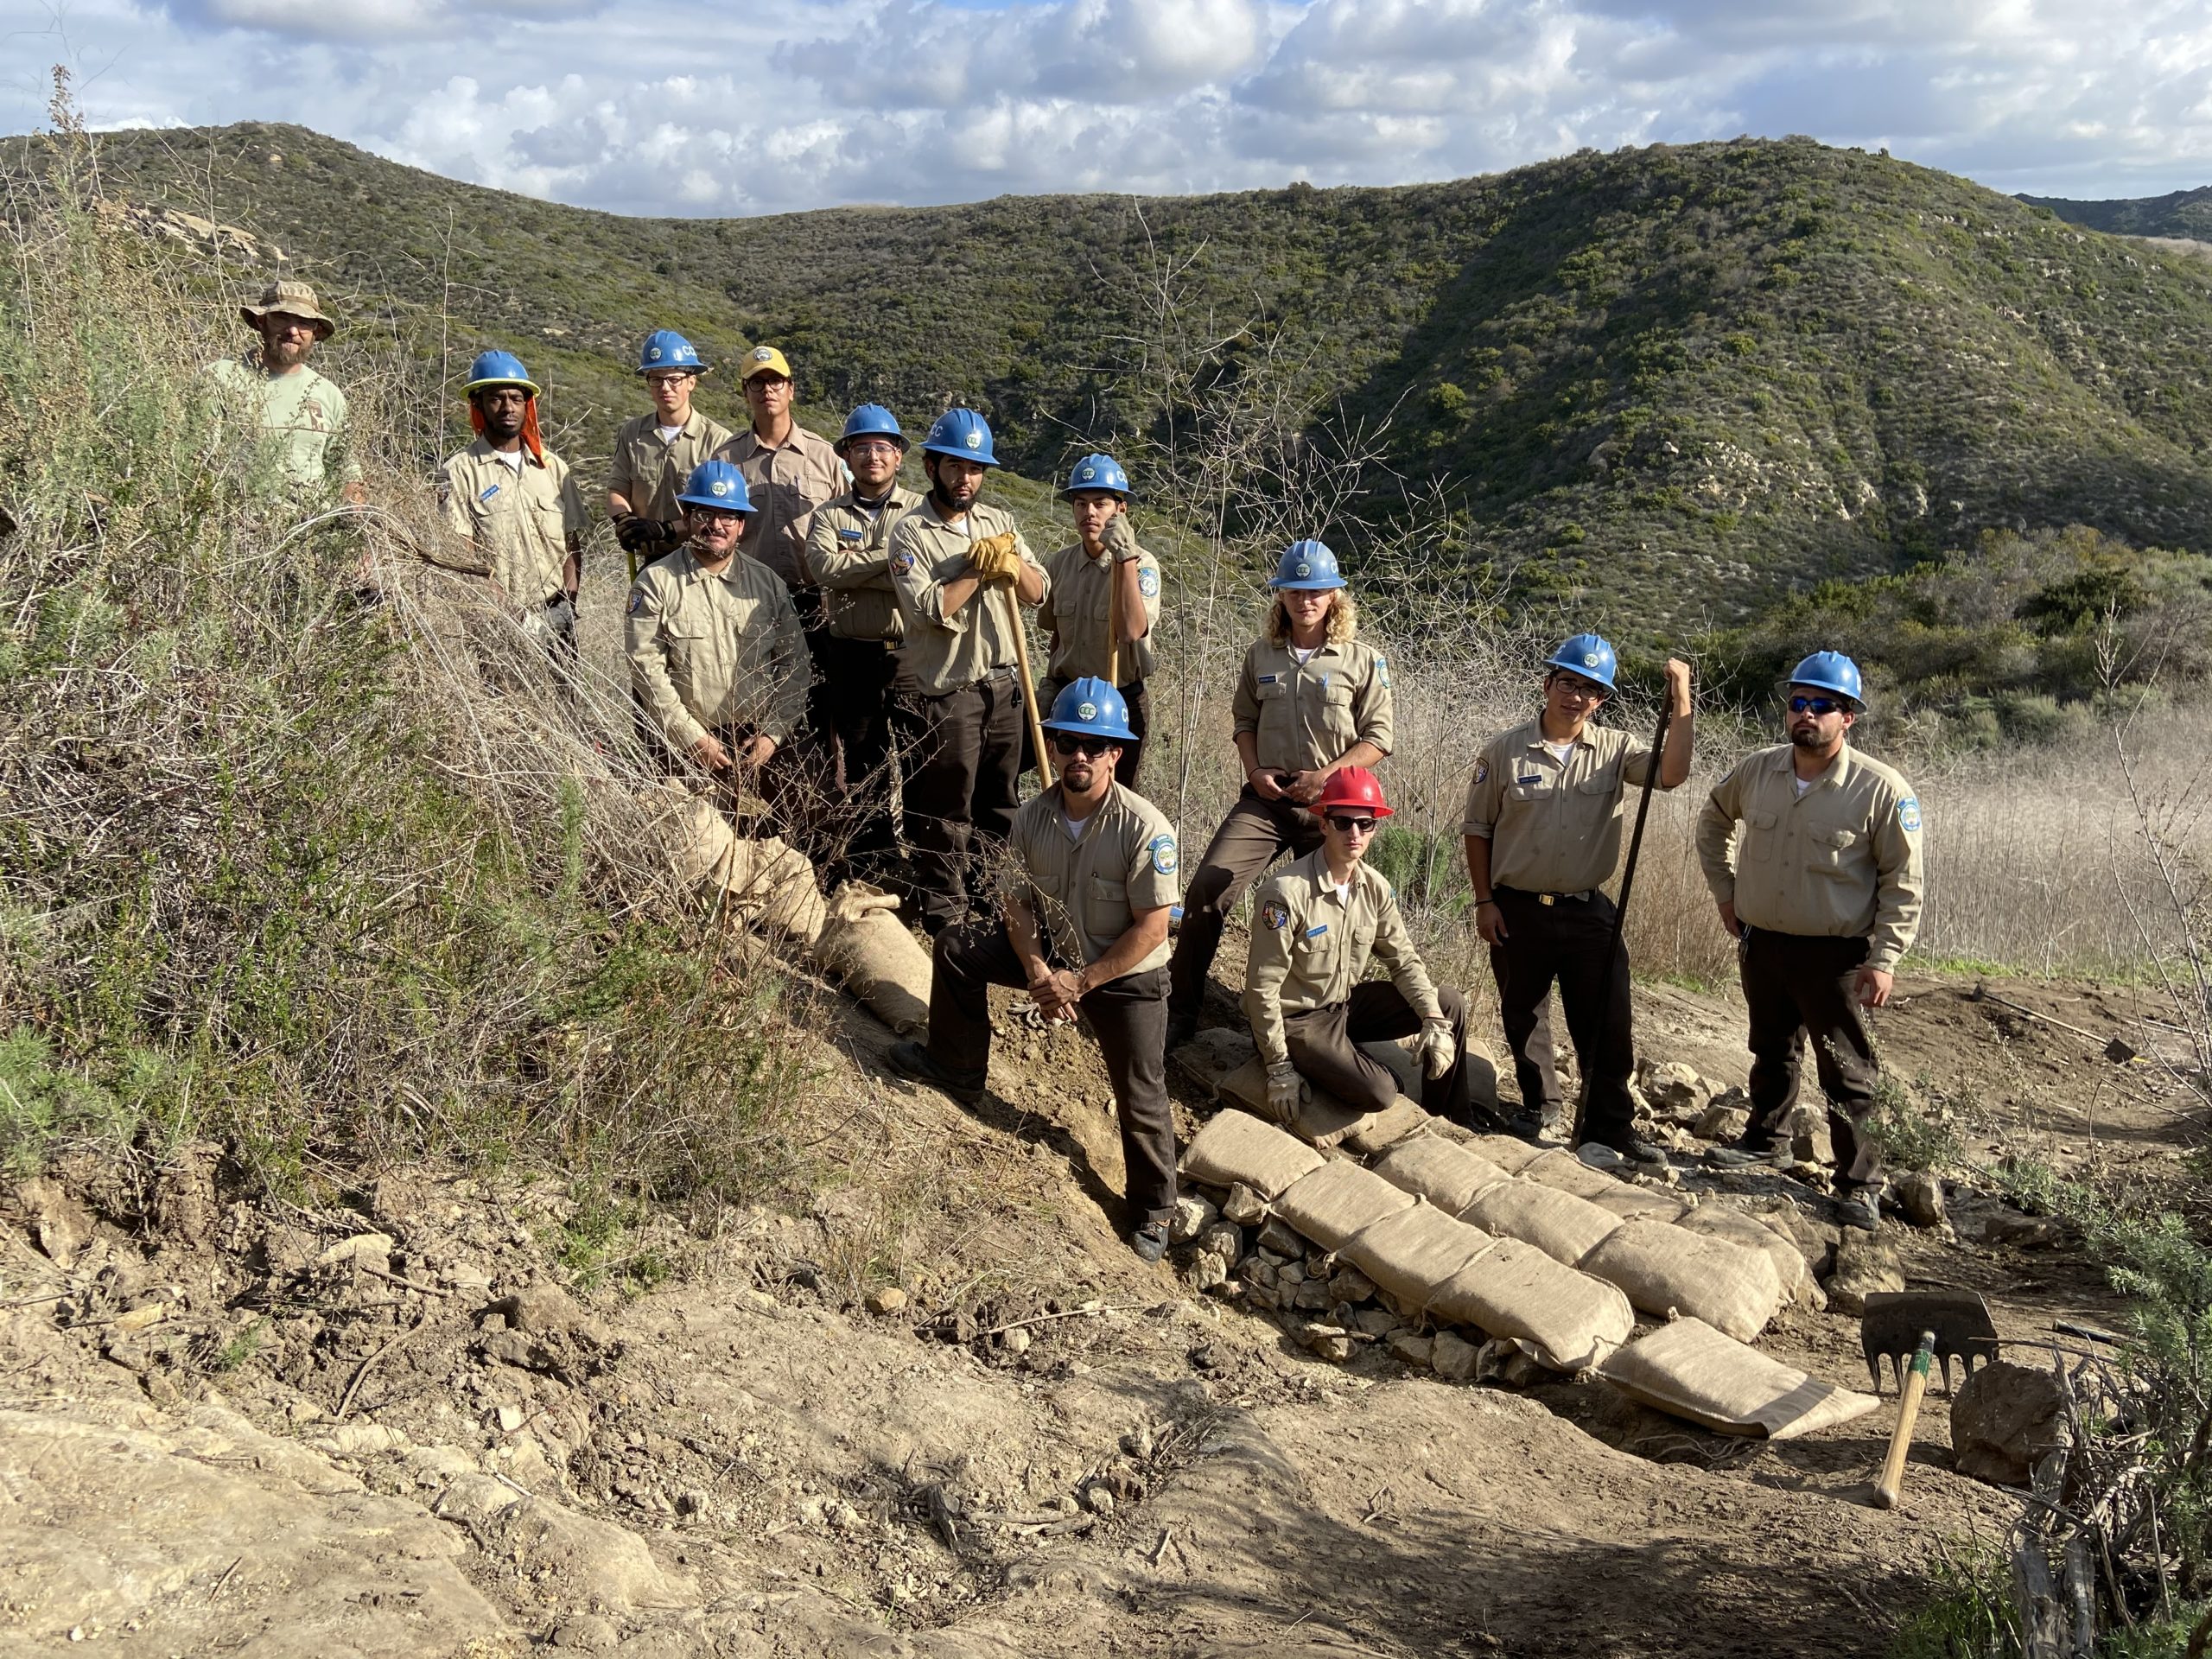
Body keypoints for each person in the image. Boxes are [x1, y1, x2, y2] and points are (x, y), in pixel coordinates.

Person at [887, 679, 1181, 1262]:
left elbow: (1153, 928)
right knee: (956, 947)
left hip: (1127, 975)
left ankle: (1154, 1209)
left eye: (1093, 746)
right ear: (1052, 745)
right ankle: (955, 1068)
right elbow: (1016, 902)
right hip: (1056, 955)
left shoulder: (1146, 829)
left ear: (1115, 754)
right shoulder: (1031, 818)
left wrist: (1082, 981)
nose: (1079, 756)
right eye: (1068, 742)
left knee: (1141, 1091)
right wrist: (1039, 970)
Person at [1694, 652, 1925, 1230]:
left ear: (1848, 717)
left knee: (1847, 1072)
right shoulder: (1758, 771)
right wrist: (1727, 892)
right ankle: (1765, 1141)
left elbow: (1904, 881)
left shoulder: (1880, 789)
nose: (1807, 714)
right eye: (1798, 702)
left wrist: (1885, 958)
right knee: (1772, 1050)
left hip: (1835, 956)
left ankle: (1859, 1185)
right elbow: (1713, 819)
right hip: (1763, 943)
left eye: (1822, 705)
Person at [1462, 634, 1694, 1165]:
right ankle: (1539, 1106)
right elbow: (1477, 829)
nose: (1576, 696)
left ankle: (1607, 1126)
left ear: (1600, 701)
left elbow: (1673, 774)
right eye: (1568, 682)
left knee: (1606, 1021)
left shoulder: (1616, 749)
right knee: (1524, 1014)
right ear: (1547, 684)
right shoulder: (1504, 751)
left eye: (1590, 690)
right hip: (1517, 906)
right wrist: (1484, 902)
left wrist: (1681, 696)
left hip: (1589, 910)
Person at [1164, 541, 1393, 1048]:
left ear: (1333, 596)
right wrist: (1254, 769)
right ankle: (1180, 1011)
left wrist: (1325, 777)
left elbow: (1378, 738)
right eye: (1294, 591)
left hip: (1332, 812)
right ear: (1281, 596)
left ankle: (1327, 1026)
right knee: (1207, 889)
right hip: (1266, 802)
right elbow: (1244, 721)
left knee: (1334, 915)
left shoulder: (1362, 660)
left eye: (1315, 592)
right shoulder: (1261, 654)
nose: (1304, 600)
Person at [1244, 767, 1489, 1129]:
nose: (1355, 834)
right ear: (1324, 825)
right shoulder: (1285, 894)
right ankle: (1350, 1066)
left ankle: (1449, 1118)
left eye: (1365, 823)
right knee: (1381, 1091)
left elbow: (1403, 960)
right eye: (1343, 823)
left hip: (1344, 1007)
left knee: (1448, 1004)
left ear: (1375, 828)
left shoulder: (1375, 888)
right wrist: (1278, 1065)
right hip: (1298, 1021)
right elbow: (1262, 988)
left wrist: (1434, 1020)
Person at [885, 409, 1050, 936]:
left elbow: (1038, 592)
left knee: (1001, 802)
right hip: (950, 691)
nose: (965, 479)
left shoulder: (1000, 523)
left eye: (975, 469)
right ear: (931, 467)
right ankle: (945, 913)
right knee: (947, 805)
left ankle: (990, 896)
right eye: (955, 466)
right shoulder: (910, 532)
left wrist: (1012, 564)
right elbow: (928, 610)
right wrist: (978, 568)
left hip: (1006, 685)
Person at [713, 346, 854, 853]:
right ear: (745, 392)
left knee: (819, 716)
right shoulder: (726, 460)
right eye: (757, 382)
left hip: (814, 605)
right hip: (746, 608)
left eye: (776, 381)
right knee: (750, 711)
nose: (767, 390)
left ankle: (825, 827)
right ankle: (757, 825)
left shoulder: (825, 457)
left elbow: (848, 526)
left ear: (791, 389)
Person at [625, 460, 807, 811]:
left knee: (803, 819)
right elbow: (645, 668)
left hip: (757, 740)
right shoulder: (655, 583)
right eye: (705, 514)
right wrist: (691, 738)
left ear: (742, 525)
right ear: (688, 517)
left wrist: (773, 733)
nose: (716, 525)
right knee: (686, 835)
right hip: (684, 742)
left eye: (728, 517)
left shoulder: (768, 584)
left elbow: (795, 664)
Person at [804, 404, 925, 886]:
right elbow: (824, 570)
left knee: (919, 757)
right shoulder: (828, 515)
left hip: (912, 653)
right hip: (851, 653)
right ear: (847, 456)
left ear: (898, 456)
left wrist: (858, 567)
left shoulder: (921, 511)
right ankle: (874, 861)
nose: (872, 456)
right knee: (861, 759)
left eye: (882, 448)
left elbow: (928, 572)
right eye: (861, 448)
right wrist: (893, 561)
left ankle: (923, 860)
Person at [438, 350, 587, 662]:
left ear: (526, 404)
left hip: (558, 622)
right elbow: (463, 559)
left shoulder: (552, 468)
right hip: (498, 627)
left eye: (516, 399)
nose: (508, 407)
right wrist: (515, 618)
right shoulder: (459, 473)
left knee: (563, 695)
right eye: (496, 398)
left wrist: (566, 607)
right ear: (478, 404)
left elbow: (571, 545)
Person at [1035, 453, 1160, 788]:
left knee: (1116, 795)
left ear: (1121, 510)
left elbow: (1131, 631)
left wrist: (1125, 559)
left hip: (1118, 700)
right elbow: (1056, 633)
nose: (1089, 512)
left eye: (1100, 504)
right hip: (1067, 696)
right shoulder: (1059, 564)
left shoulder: (1142, 565)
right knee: (1065, 791)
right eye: (1081, 503)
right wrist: (1051, 682)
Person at [202, 278, 363, 501]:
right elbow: (199, 459)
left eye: (304, 322)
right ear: (261, 321)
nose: (293, 331)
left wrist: (356, 511)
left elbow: (345, 470)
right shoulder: (221, 377)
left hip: (313, 520)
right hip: (239, 516)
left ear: (315, 331)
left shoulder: (328, 395)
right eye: (282, 318)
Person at [607, 330, 732, 579]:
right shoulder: (632, 434)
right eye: (656, 379)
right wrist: (624, 520)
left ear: (691, 382)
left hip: (703, 563)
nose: (665, 388)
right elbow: (617, 490)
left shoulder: (717, 441)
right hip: (651, 566)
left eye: (674, 379)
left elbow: (722, 513)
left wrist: (666, 530)